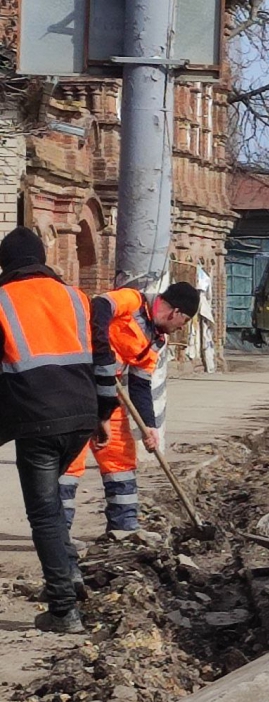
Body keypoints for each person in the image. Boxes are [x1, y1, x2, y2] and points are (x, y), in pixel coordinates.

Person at [0, 227, 101, 634]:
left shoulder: (3, 300)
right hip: (81, 417)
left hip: (38, 421)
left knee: (43, 513)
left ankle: (63, 610)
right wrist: (105, 414)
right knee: (54, 508)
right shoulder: (76, 297)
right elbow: (102, 358)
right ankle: (70, 575)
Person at [59, 282, 200, 535]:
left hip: (109, 397)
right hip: (77, 390)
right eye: (185, 320)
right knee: (70, 464)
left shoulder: (157, 340)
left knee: (121, 460)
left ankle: (124, 529)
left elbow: (140, 383)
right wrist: (101, 353)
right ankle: (57, 537)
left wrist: (149, 426)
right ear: (175, 312)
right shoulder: (133, 301)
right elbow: (99, 306)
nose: (181, 328)